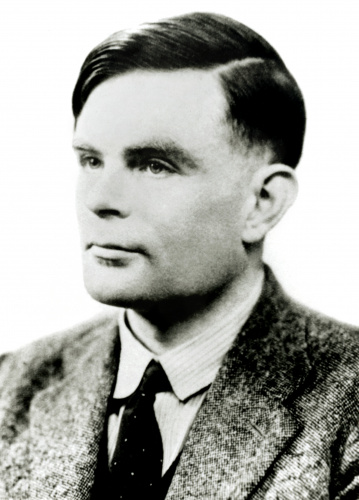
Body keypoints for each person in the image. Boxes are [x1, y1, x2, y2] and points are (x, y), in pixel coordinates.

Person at [0, 11, 358, 500]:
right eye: (90, 160)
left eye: (154, 165)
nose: (100, 199)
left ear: (262, 203)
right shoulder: (11, 386)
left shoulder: (349, 408)